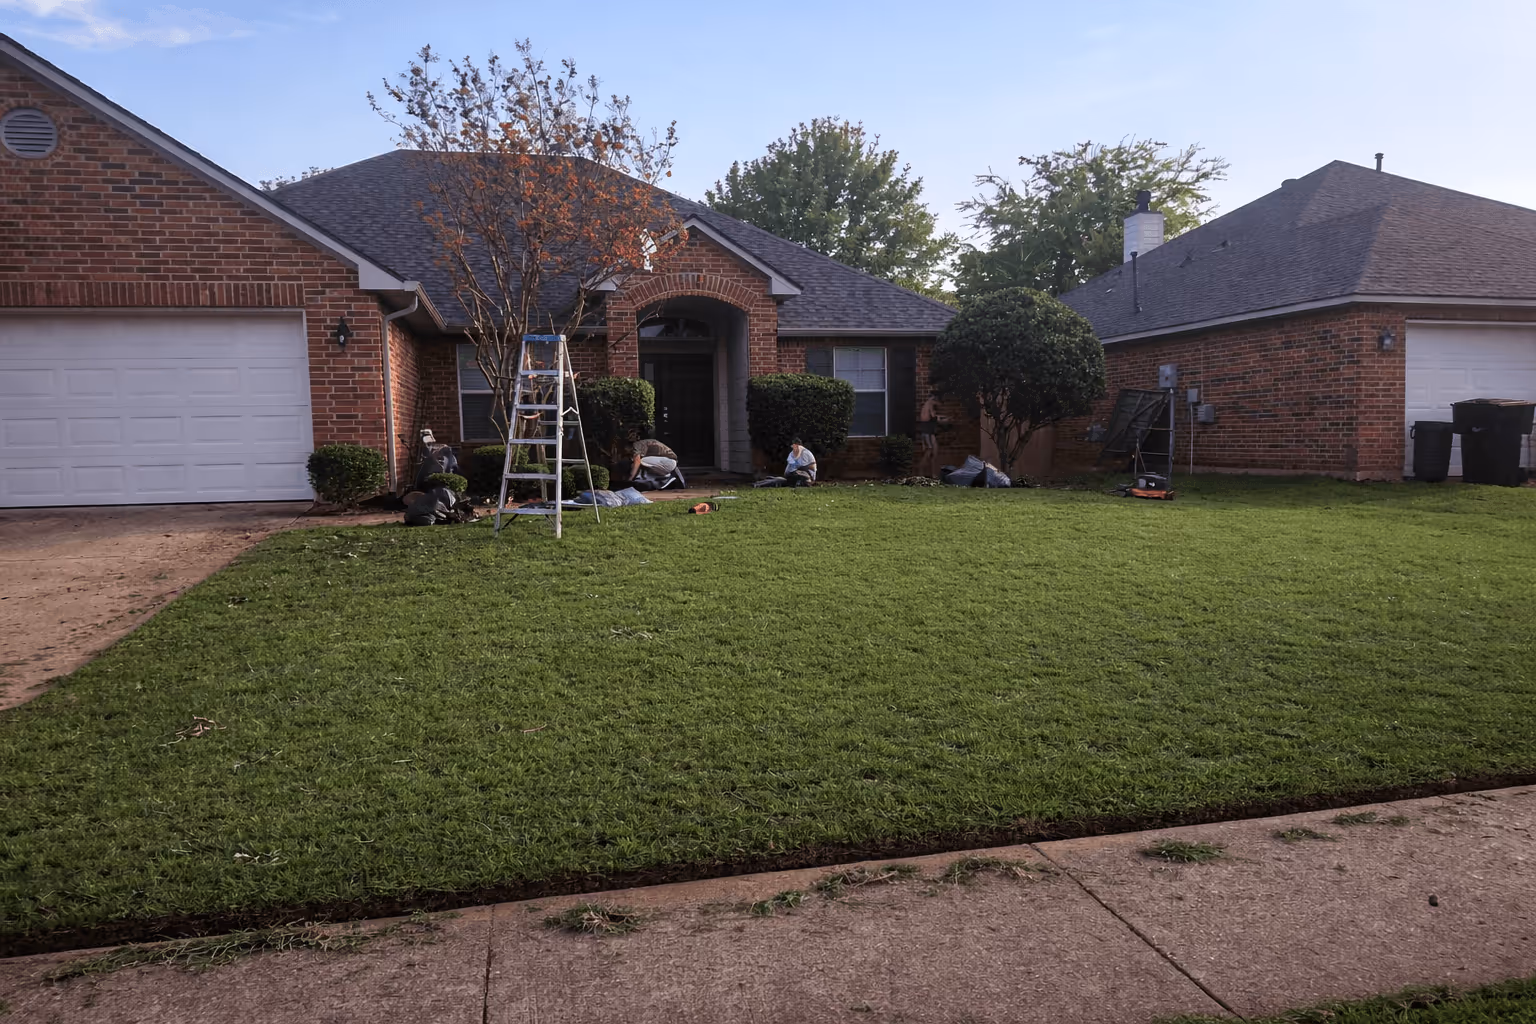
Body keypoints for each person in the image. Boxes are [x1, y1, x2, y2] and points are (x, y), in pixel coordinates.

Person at [916, 395, 947, 478]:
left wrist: (945, 418)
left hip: (930, 432)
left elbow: (934, 417)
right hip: (927, 432)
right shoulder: (929, 404)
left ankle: (933, 474)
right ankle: (920, 472)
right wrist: (944, 419)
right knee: (929, 451)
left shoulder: (927, 405)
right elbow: (934, 417)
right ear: (934, 400)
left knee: (935, 452)